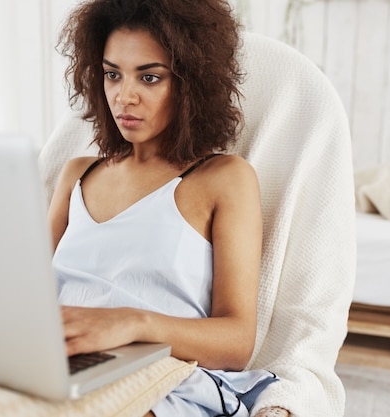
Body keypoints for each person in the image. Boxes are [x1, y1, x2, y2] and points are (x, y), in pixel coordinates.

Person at [49, 1, 288, 416]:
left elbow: (236, 341)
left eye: (150, 77)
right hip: (63, 363)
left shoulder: (223, 178)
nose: (124, 96)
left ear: (191, 82)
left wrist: (133, 323)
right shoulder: (76, 175)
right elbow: (24, 293)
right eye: (112, 74)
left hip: (162, 378)